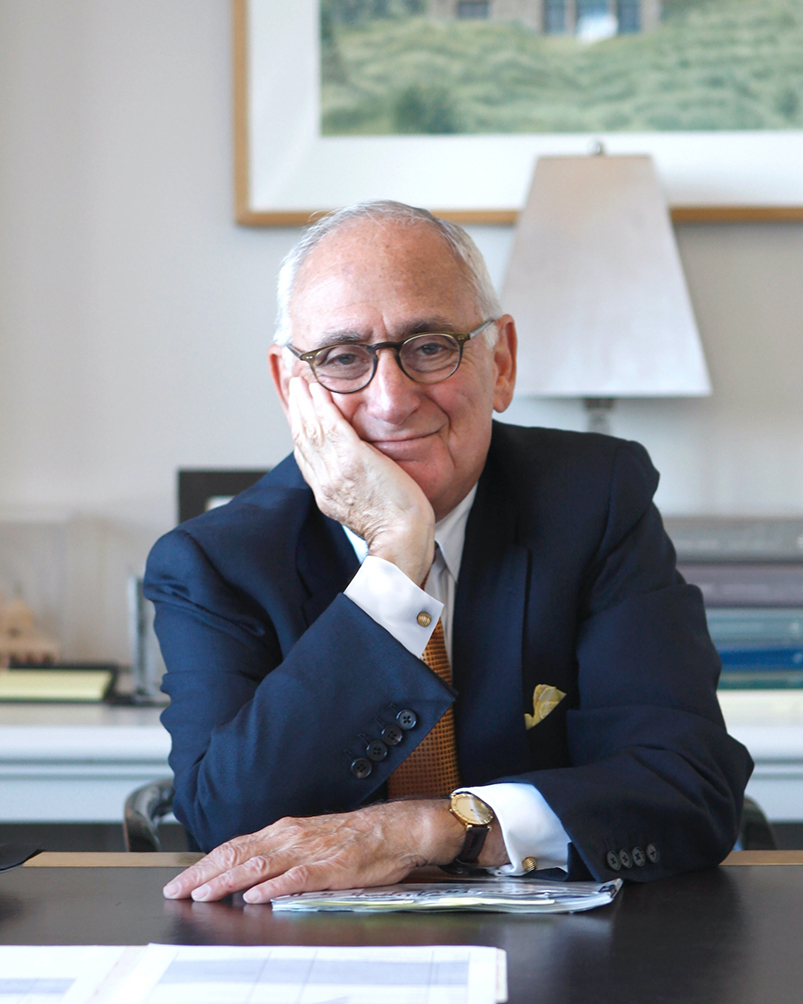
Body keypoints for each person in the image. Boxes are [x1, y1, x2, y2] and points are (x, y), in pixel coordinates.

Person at [144, 200, 752, 905]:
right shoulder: (215, 561)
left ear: (500, 362)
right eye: (343, 358)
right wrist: (395, 560)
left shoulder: (594, 500)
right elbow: (229, 822)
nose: (393, 399)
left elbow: (688, 787)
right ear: (291, 387)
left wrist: (430, 829)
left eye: (429, 345)